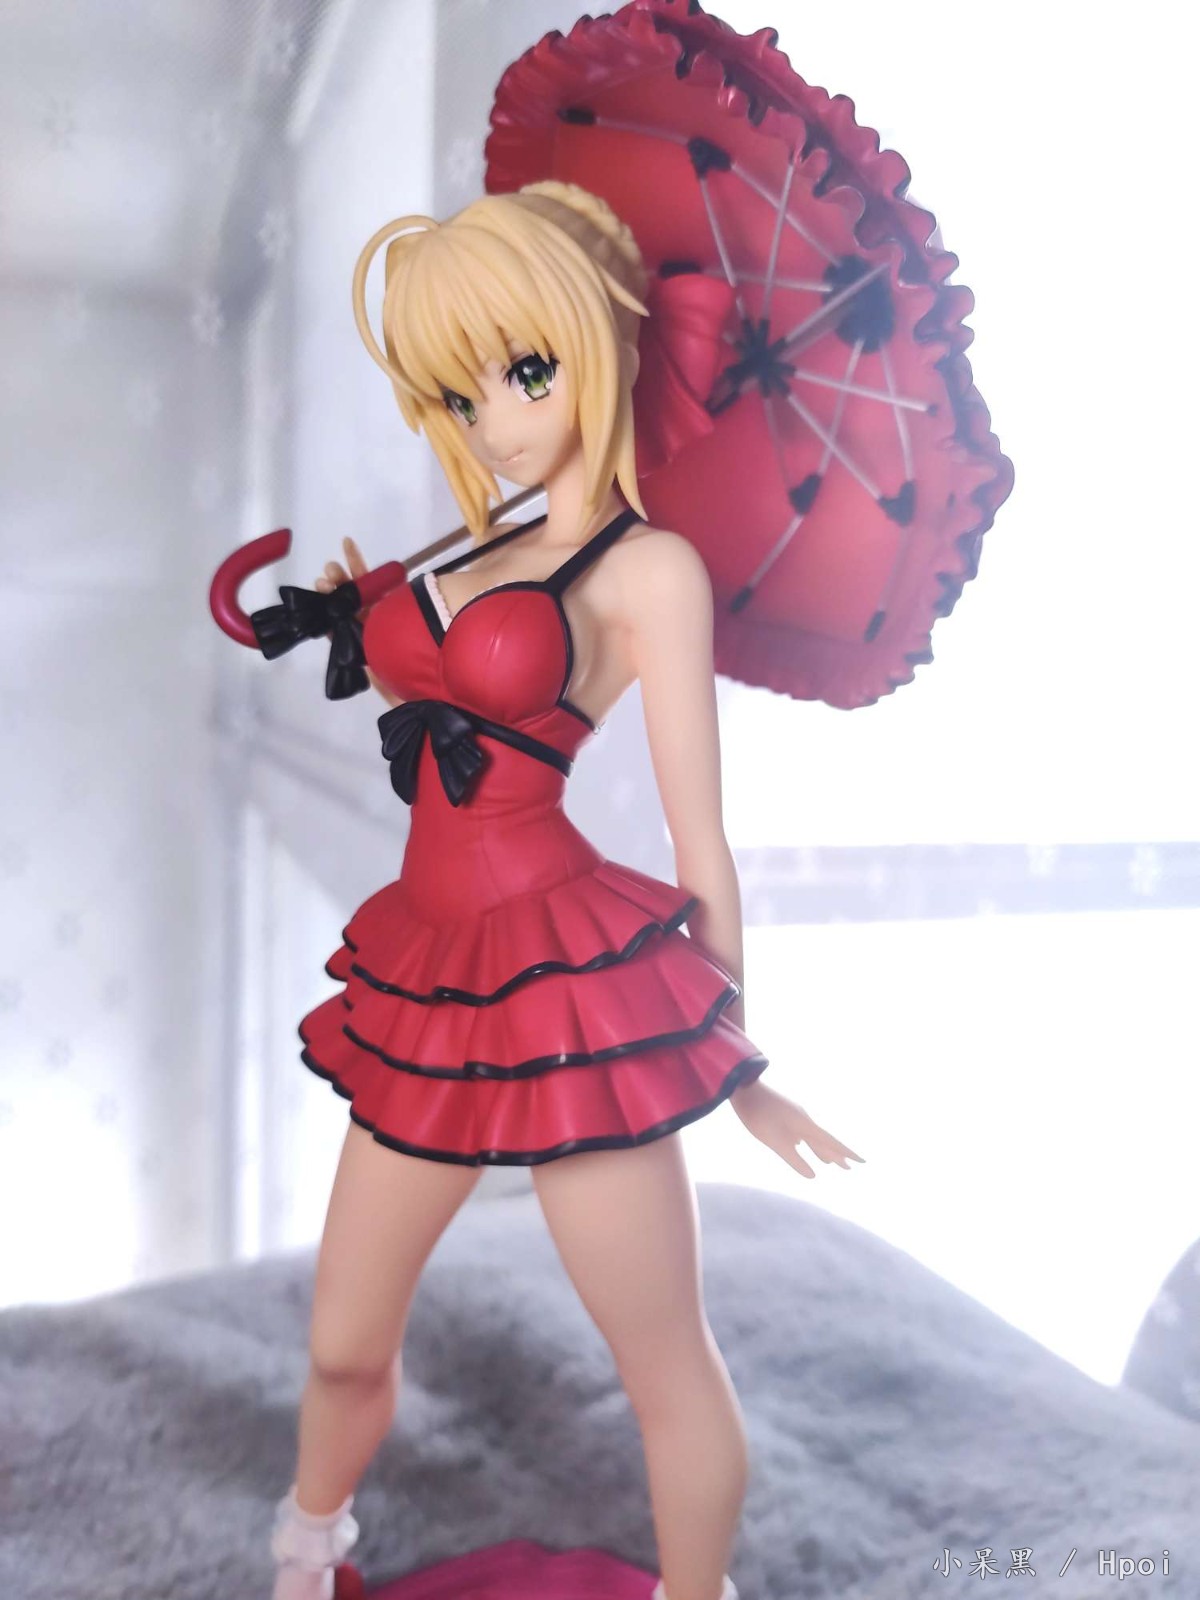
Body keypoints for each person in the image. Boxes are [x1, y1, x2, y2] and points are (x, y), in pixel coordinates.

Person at [268, 180, 864, 1600]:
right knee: (343, 1345)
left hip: (566, 984)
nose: (493, 419)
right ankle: (300, 1559)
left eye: (523, 371)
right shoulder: (467, 547)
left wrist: (735, 1062)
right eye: (457, 391)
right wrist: (353, 620)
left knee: (662, 1362)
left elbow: (702, 840)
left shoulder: (651, 571)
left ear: (599, 347)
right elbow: (432, 693)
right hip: (430, 973)